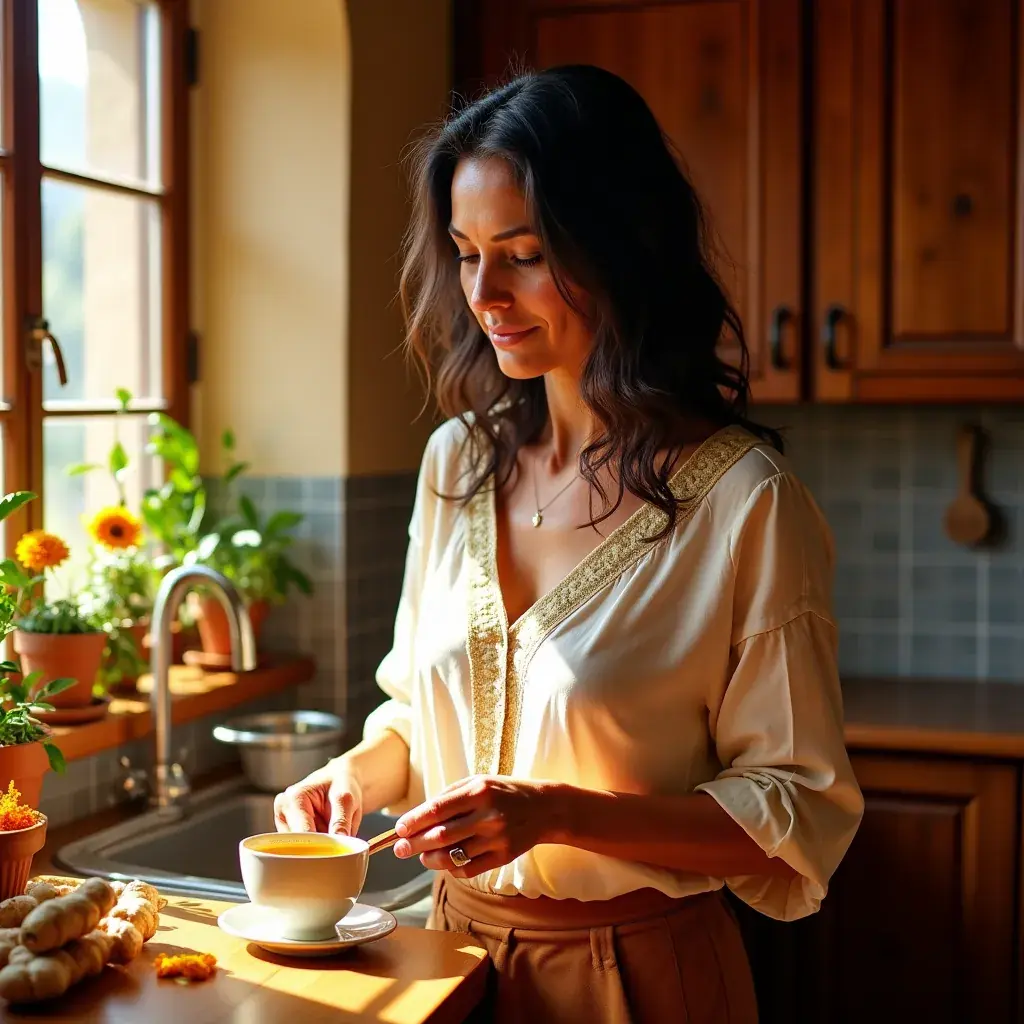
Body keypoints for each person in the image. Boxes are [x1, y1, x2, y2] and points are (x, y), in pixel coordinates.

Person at [275, 64, 864, 1023]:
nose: (484, 294)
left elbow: (797, 812)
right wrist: (353, 775)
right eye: (466, 253)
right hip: (449, 967)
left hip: (640, 977)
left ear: (622, 248)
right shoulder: (457, 463)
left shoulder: (746, 503)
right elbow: (419, 716)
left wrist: (555, 814)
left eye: (525, 254)